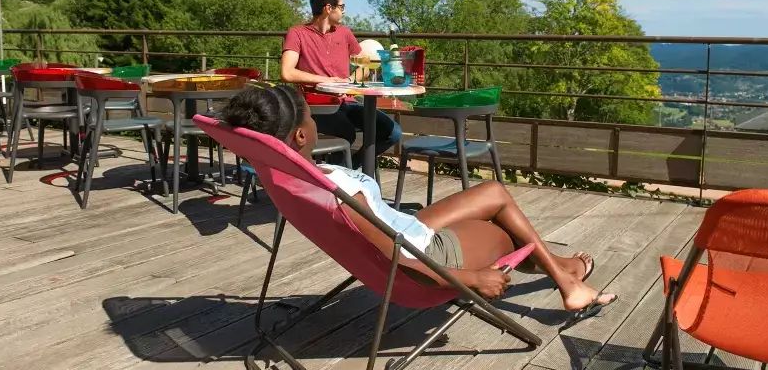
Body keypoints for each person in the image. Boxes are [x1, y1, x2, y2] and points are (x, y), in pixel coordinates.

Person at [220, 85, 618, 314]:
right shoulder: (343, 193)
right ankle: (567, 280)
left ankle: (564, 273)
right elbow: (396, 260)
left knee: (494, 192)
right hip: (428, 257)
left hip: (406, 229)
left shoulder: (286, 177)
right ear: (302, 137)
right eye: (309, 116)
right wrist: (471, 279)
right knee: (506, 228)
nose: (313, 120)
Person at [280, 0, 402, 170]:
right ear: (328, 8)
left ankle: (350, 169)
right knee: (346, 133)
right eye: (342, 7)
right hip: (317, 106)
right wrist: (326, 80)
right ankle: (334, 179)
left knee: (393, 132)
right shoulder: (297, 33)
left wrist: (351, 80)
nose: (344, 12)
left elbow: (365, 66)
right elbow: (287, 73)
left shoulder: (344, 33)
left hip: (347, 102)